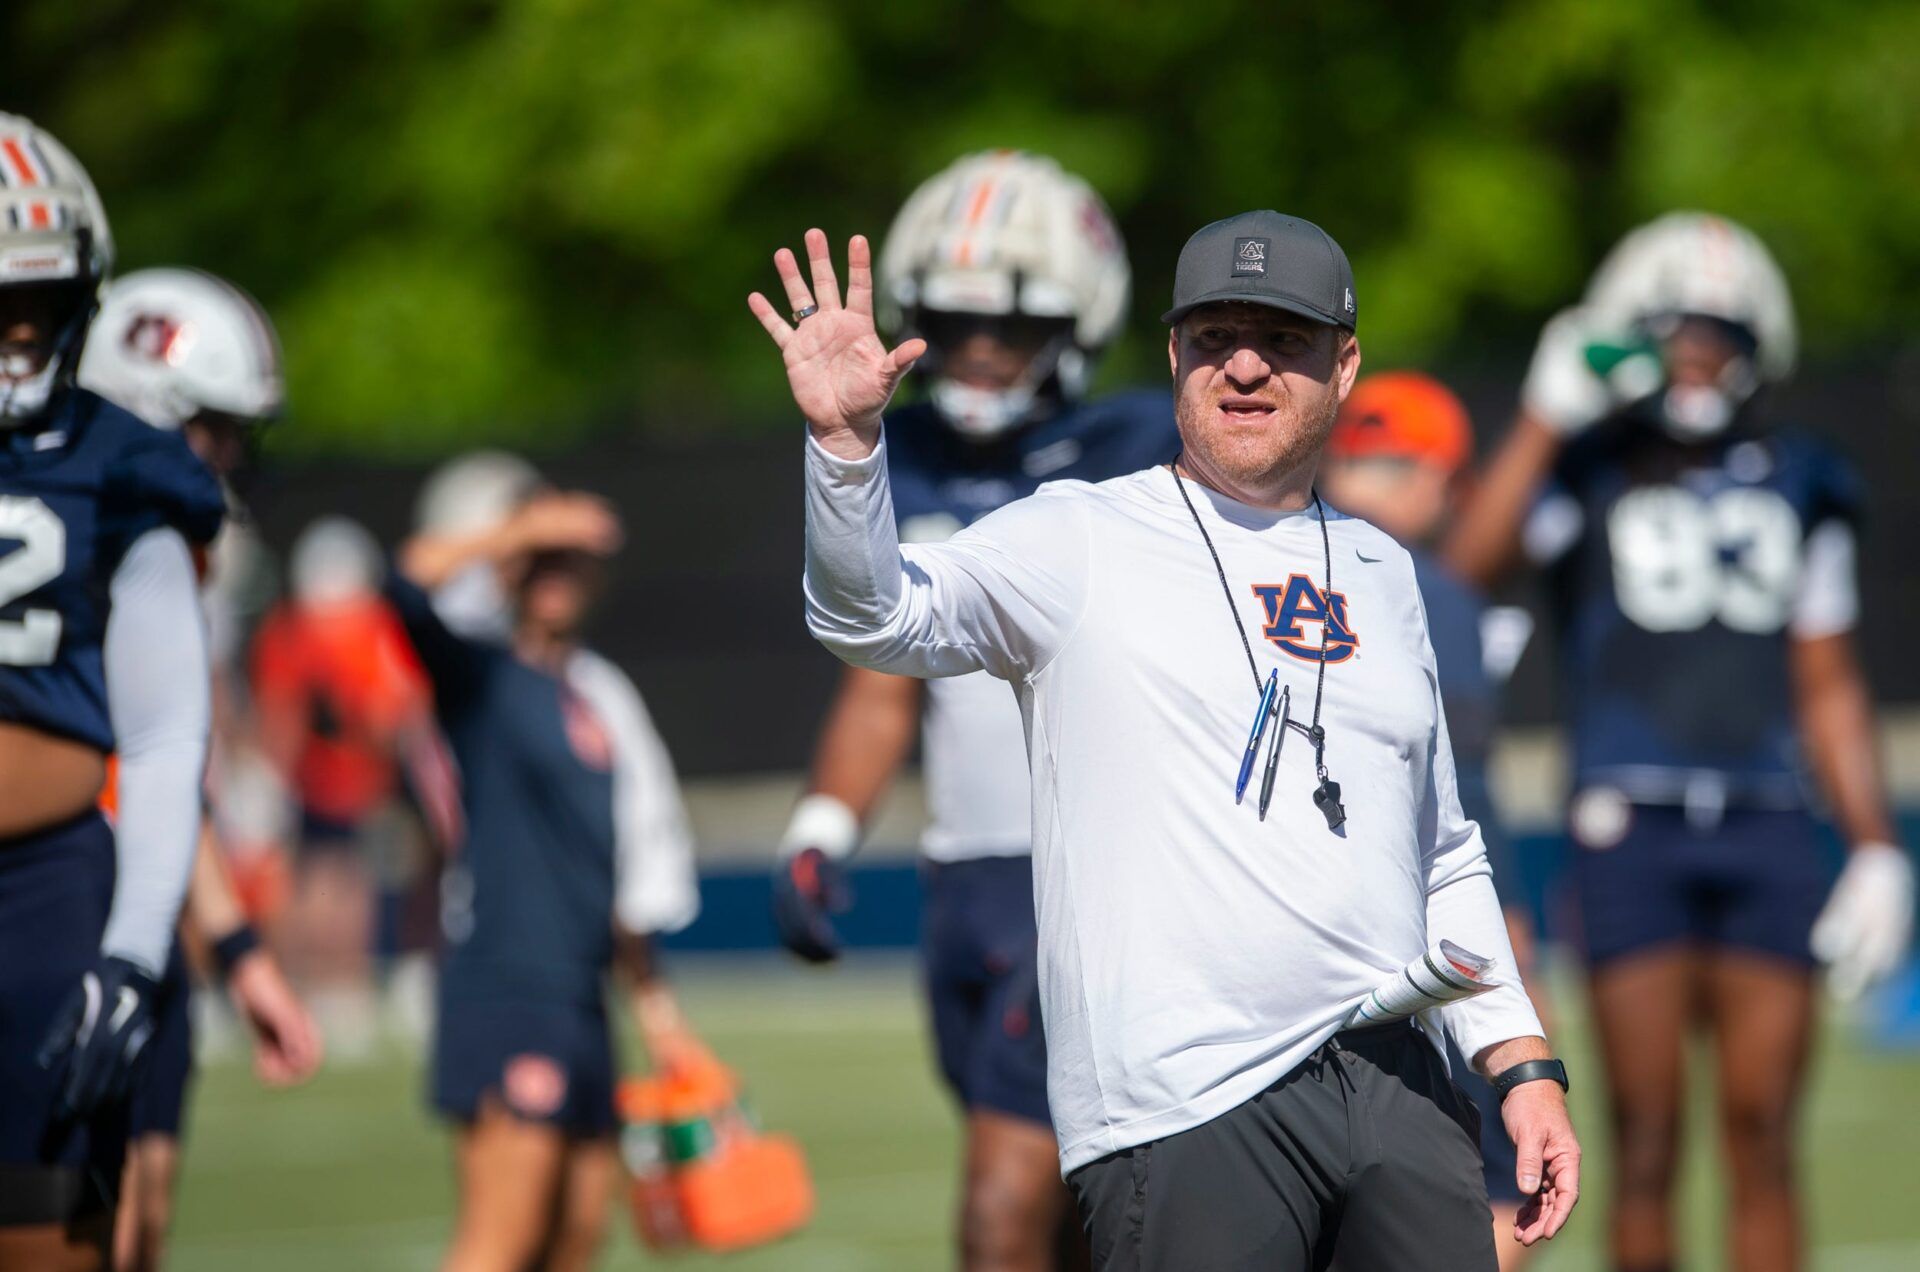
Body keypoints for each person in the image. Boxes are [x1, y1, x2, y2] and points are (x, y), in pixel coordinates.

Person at [750, 213, 1580, 1270]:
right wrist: (844, 448)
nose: (1244, 366)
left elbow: (1443, 852)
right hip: (1190, 1100)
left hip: (1398, 1084)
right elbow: (875, 618)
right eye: (1214, 335)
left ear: (1346, 362)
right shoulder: (1076, 535)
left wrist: (1522, 1067)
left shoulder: (1383, 570)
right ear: (1173, 352)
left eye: (1282, 340)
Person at [1443, 212, 1914, 1272]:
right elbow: (1460, 576)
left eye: (1716, 333)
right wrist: (1542, 419)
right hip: (1629, 828)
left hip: (1768, 820)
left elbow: (1829, 679)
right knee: (1645, 1139)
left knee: (1763, 1138)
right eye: (1671, 335)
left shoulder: (1807, 478)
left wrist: (1877, 842)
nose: (1695, 356)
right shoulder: (1589, 464)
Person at [768, 150, 1173, 1272]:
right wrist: (821, 828)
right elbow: (882, 684)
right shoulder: (893, 450)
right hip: (968, 882)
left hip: (1096, 873)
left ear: (1080, 322)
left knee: (1002, 1212)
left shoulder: (1150, 449)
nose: (980, 352)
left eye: (1011, 327)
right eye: (953, 323)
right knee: (1070, 1221)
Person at [0, 114, 223, 1270]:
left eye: (40, 298)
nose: (22, 332)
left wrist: (135, 950)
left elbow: (165, 727)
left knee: (53, 1245)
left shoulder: (125, 466)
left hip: (44, 898)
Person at [389, 478, 708, 1272]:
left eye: (571, 562)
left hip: (580, 994)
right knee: (503, 1236)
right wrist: (513, 533)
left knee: (575, 1236)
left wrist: (660, 1016)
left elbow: (632, 868)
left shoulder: (599, 695)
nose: (554, 578)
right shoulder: (481, 675)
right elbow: (404, 582)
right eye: (540, 563)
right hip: (504, 984)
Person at [79, 266, 325, 1272]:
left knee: (140, 1232)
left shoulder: (180, 558)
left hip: (147, 923)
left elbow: (165, 783)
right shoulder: (56, 543)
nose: (226, 461)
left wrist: (238, 952)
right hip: (53, 915)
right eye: (214, 431)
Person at [1319, 371, 1548, 1272]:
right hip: (1413, 933)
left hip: (1278, 926)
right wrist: (1511, 936)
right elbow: (1459, 788)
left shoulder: (1273, 560)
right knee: (1491, 1185)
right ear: (1443, 480)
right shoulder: (1423, 589)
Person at [251, 514, 431, 1057]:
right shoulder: (330, 630)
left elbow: (390, 712)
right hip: (328, 780)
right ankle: (328, 986)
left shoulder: (325, 628)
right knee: (328, 886)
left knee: (338, 884)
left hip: (351, 780)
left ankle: (337, 986)